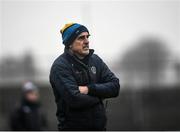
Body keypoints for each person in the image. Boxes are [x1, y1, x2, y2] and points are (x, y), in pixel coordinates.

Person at [49, 23, 120, 130]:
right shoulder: (60, 66)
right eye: (81, 38)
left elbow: (115, 87)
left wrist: (89, 89)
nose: (87, 41)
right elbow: (75, 99)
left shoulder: (95, 60)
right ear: (69, 44)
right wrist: (101, 95)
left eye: (87, 37)